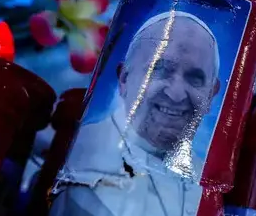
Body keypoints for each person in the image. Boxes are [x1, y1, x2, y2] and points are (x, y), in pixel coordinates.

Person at [50, 11, 221, 216]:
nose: (176, 95)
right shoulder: (82, 149)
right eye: (160, 70)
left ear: (211, 94)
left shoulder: (210, 182)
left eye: (194, 78)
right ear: (124, 78)